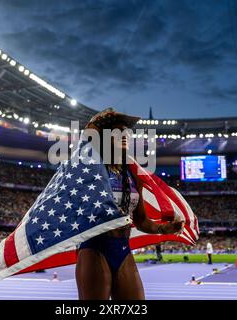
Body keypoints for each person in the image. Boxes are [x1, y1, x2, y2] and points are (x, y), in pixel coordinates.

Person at [75, 108, 184, 300]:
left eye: (126, 132)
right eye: (116, 132)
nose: (124, 135)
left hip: (123, 248)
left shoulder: (132, 175)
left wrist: (164, 228)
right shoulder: (90, 167)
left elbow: (141, 220)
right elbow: (87, 138)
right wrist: (101, 120)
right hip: (94, 248)